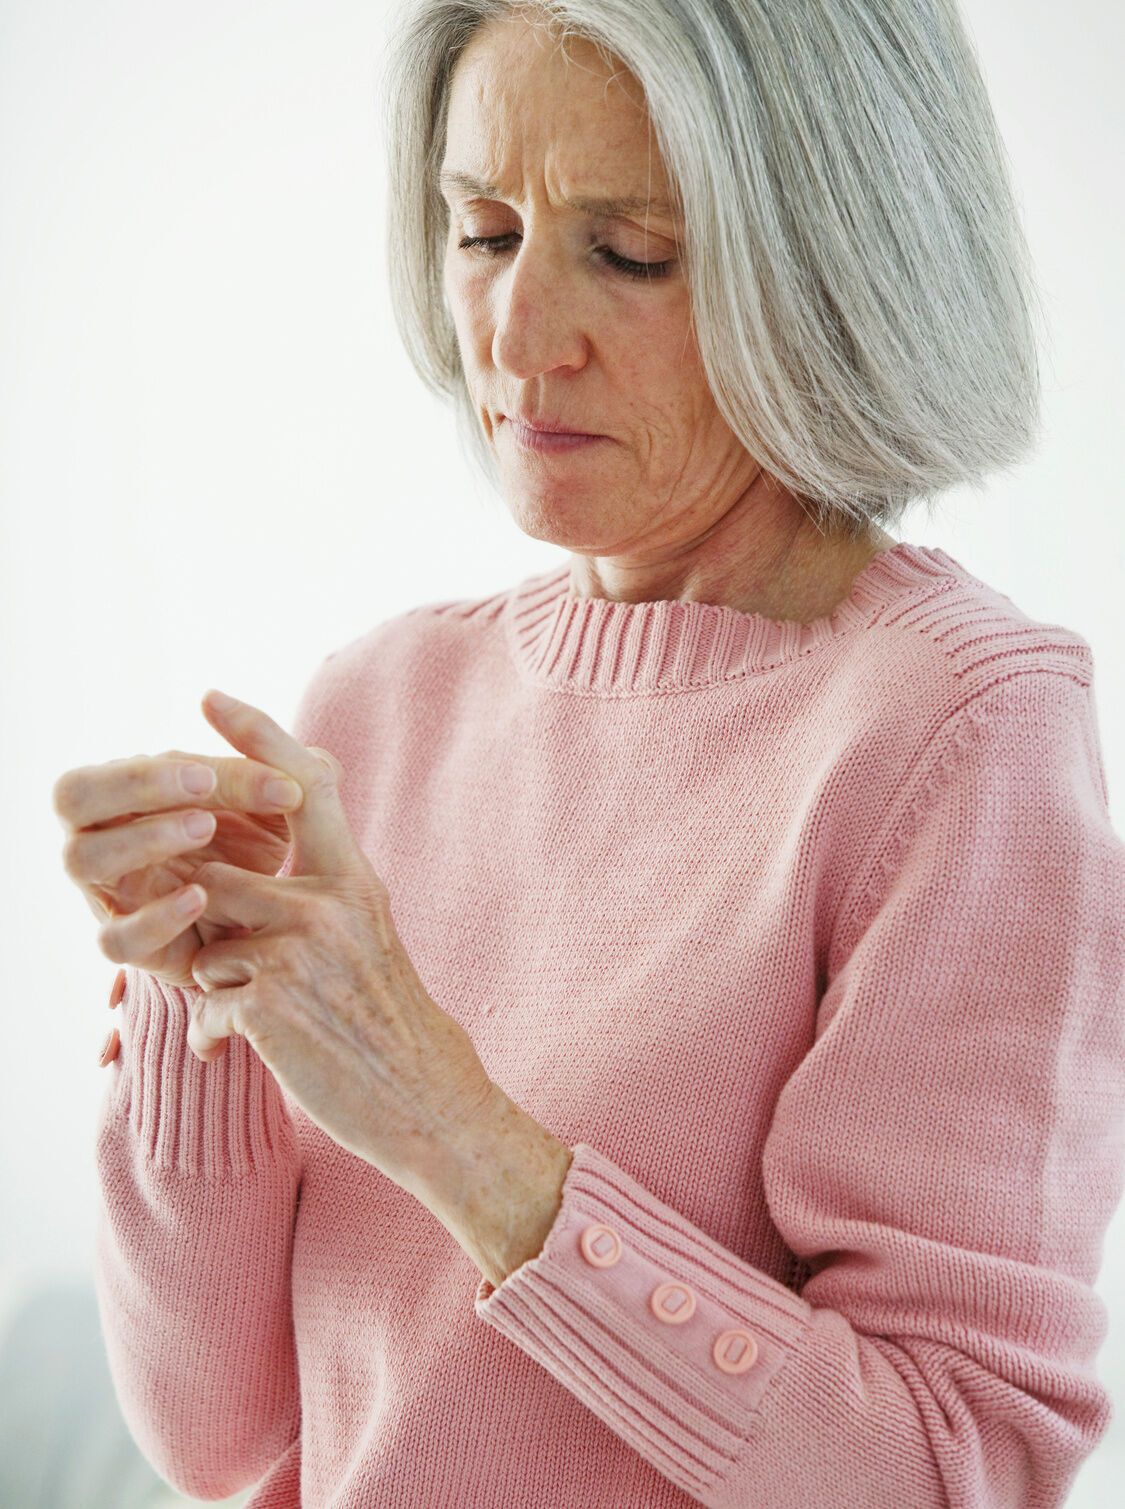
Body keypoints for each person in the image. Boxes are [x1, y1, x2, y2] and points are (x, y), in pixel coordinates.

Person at [53, 2, 1124, 1505]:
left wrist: (452, 1130)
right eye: (482, 230)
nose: (513, 336)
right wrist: (198, 995)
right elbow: (223, 1438)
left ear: (828, 274)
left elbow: (947, 1474)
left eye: (628, 254)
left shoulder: (957, 734)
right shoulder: (373, 703)